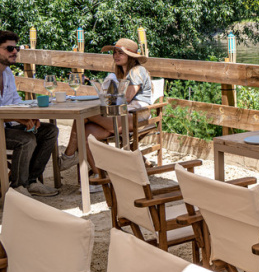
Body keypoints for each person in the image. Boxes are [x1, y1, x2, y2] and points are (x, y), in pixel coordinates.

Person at [59, 38, 152, 172]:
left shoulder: (137, 71)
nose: (116, 56)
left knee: (84, 114)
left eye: (120, 53)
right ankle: (100, 177)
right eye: (114, 53)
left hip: (135, 117)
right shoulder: (122, 73)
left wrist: (106, 96)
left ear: (130, 56)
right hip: (121, 115)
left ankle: (69, 156)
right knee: (85, 133)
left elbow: (126, 97)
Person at [0, 30, 60, 197]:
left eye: (16, 48)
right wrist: (19, 118)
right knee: (26, 140)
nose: (14, 52)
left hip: (7, 126)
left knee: (49, 131)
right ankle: (17, 188)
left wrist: (28, 116)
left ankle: (32, 182)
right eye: (9, 48)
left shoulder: (7, 73)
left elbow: (14, 102)